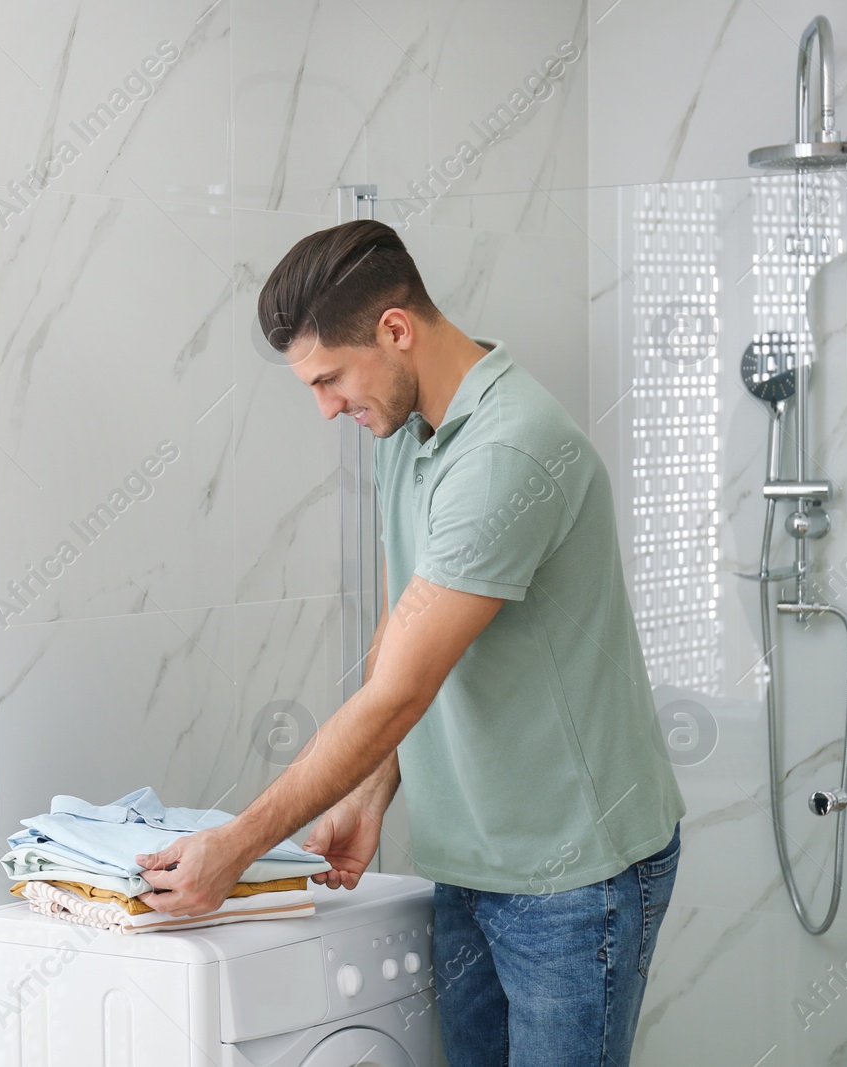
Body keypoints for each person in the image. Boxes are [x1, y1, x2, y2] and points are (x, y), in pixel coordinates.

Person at [133, 219, 685, 1065]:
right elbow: (407, 633)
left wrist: (237, 846)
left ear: (395, 330)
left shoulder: (510, 449)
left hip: (575, 875)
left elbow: (398, 692)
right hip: (470, 857)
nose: (325, 408)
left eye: (329, 379)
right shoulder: (410, 429)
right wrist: (372, 789)